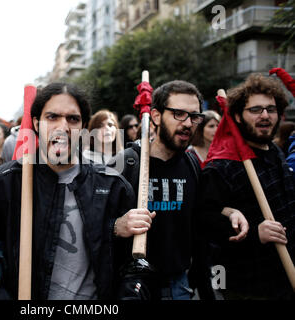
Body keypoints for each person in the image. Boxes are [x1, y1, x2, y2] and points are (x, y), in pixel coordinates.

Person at [0, 82, 154, 300]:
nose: (63, 127)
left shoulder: (112, 186)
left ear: (84, 126)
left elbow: (131, 267)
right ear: (36, 123)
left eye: (73, 119)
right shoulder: (3, 184)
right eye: (52, 117)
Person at [110, 80, 216, 300]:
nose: (188, 123)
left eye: (194, 116)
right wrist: (117, 226)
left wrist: (228, 212)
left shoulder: (192, 164)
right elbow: (94, 225)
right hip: (133, 286)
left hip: (180, 284)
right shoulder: (125, 163)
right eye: (179, 114)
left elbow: (201, 224)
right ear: (156, 117)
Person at [199, 73, 295, 300]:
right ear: (238, 117)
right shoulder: (221, 167)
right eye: (256, 110)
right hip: (250, 288)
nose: (265, 115)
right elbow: (203, 221)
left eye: (271, 109)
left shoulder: (275, 152)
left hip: (288, 278)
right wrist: (254, 233)